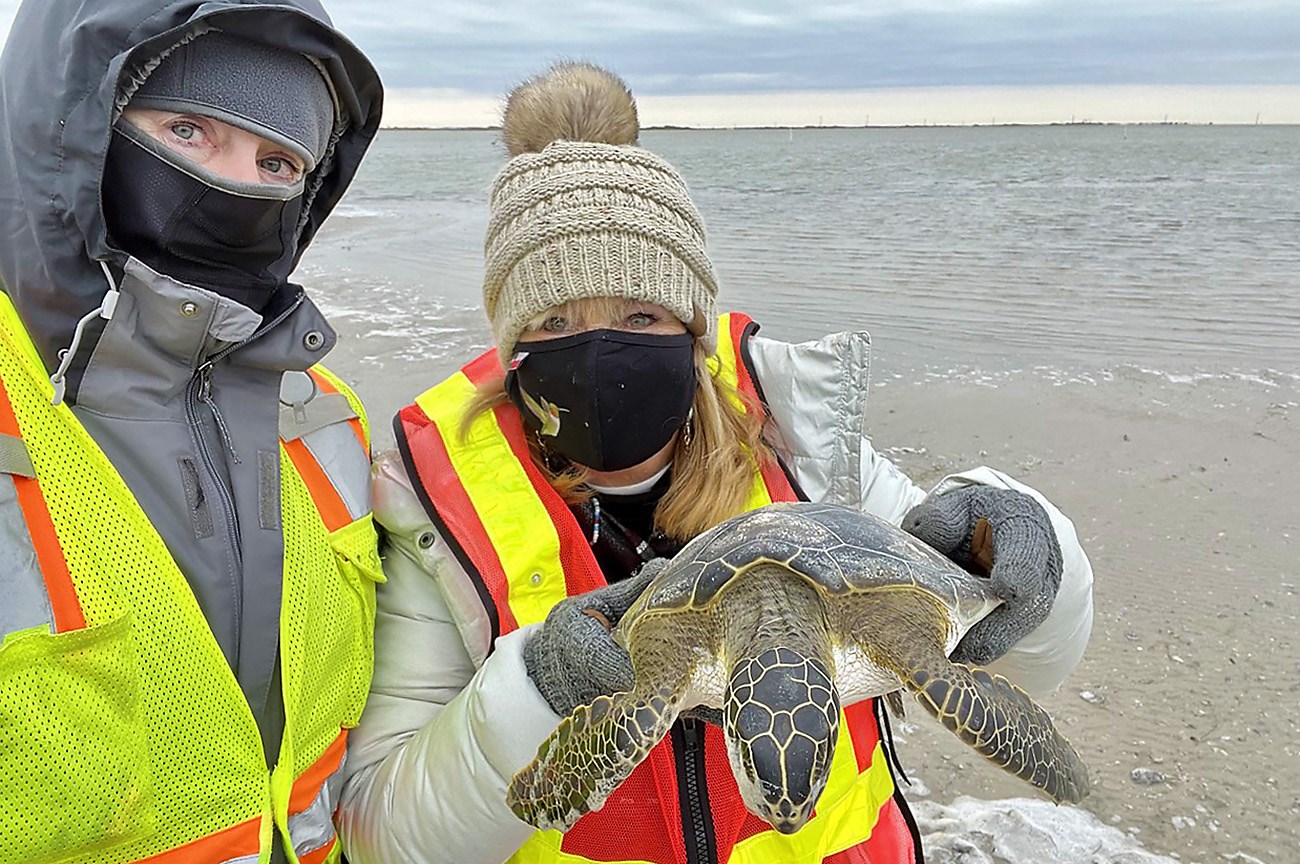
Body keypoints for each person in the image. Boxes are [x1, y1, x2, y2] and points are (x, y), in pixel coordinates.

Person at [338, 63, 1093, 864]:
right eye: (557, 320)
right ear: (514, 347)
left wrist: (1015, 536)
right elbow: (382, 838)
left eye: (640, 314)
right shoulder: (437, 514)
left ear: (694, 335)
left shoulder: (809, 453)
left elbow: (1029, 659)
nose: (602, 352)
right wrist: (539, 690)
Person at [0, 2, 382, 863]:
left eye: (278, 160)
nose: (238, 187)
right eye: (187, 130)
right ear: (72, 130)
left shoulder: (323, 422)